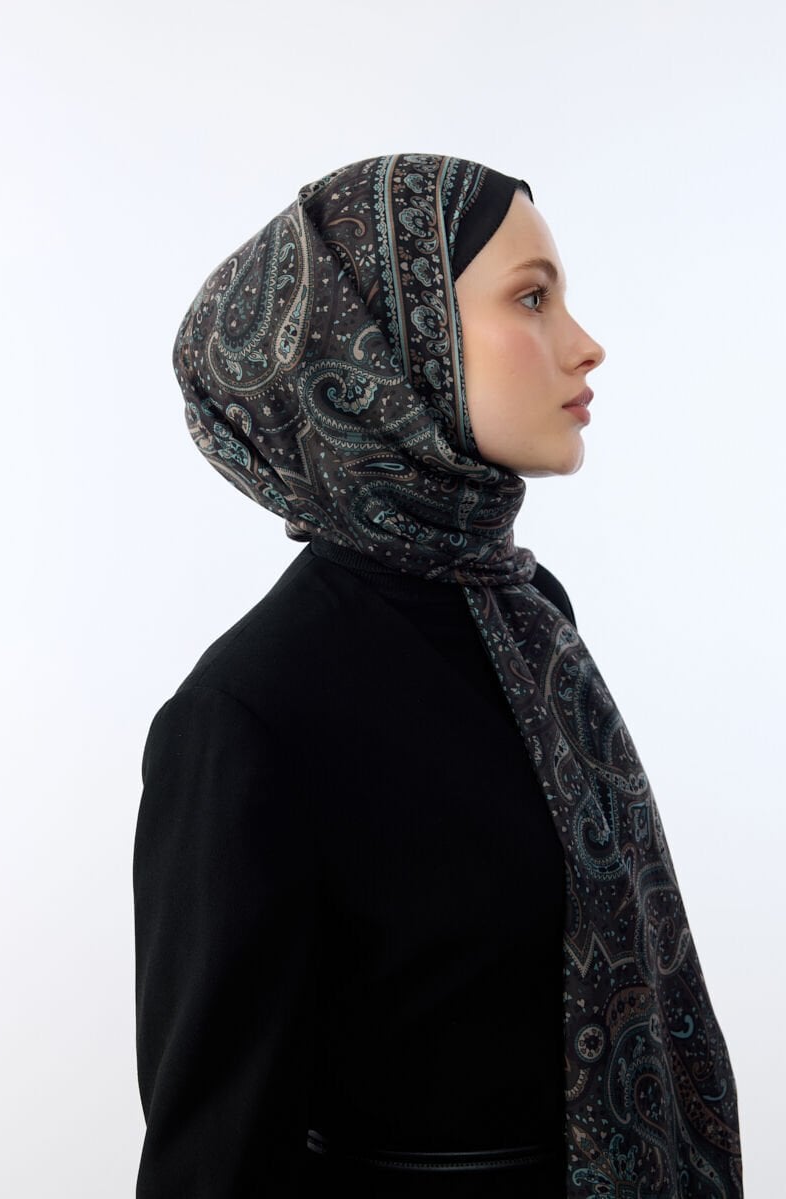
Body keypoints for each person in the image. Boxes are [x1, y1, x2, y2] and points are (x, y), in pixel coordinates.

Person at [132, 153, 744, 1197]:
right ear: (388, 344)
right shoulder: (250, 713)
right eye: (532, 299)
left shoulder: (527, 616)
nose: (584, 343)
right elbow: (214, 1163)